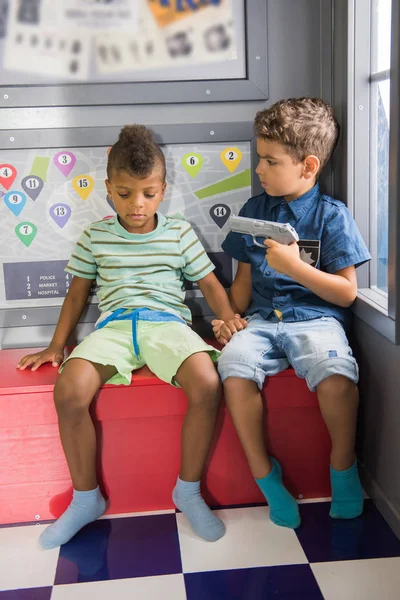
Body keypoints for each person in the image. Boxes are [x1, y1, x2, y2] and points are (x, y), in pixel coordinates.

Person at [17, 125, 245, 548]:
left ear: (163, 189)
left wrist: (229, 320)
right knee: (69, 391)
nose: (137, 205)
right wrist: (56, 345)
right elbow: (77, 293)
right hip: (116, 327)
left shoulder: (178, 233)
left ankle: (188, 490)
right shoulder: (96, 236)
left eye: (148, 193)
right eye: (124, 194)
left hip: (168, 325)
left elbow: (211, 284)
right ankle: (86, 499)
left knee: (208, 383)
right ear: (108, 188)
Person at [212, 97, 371, 529]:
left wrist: (297, 269)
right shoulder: (252, 211)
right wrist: (229, 318)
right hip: (262, 321)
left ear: (308, 165)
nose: (258, 169)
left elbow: (346, 294)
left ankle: (343, 469)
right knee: (234, 367)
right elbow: (242, 285)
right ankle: (266, 477)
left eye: (269, 161)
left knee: (337, 378)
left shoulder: (331, 216)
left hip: (316, 321)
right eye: (259, 158)